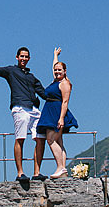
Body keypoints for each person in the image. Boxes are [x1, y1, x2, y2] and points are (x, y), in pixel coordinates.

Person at [0, 40, 50, 182]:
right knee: (20, 138)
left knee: (41, 138)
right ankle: (20, 173)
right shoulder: (11, 71)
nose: (23, 58)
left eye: (26, 57)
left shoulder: (32, 77)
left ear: (29, 59)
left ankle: (37, 172)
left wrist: (60, 90)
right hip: (20, 107)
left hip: (34, 109)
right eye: (21, 56)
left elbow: (45, 94)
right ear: (17, 57)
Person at [34, 47, 78, 179]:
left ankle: (61, 167)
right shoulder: (56, 80)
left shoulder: (65, 84)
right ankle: (62, 170)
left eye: (60, 70)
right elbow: (54, 67)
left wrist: (61, 118)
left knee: (51, 139)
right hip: (50, 110)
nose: (57, 71)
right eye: (56, 70)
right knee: (58, 141)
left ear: (65, 71)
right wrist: (55, 55)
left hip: (57, 112)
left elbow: (65, 102)